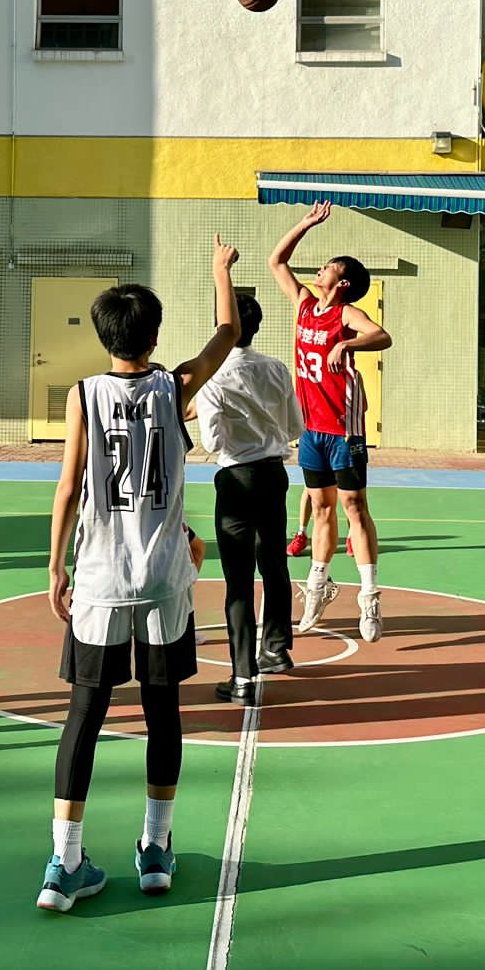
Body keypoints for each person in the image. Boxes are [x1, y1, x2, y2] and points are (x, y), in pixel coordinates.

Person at [37, 239, 240, 914]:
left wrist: (56, 565)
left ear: (103, 337)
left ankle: (65, 862)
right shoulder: (175, 387)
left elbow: (69, 486)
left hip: (98, 577)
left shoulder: (83, 394)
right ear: (154, 336)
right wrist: (220, 271)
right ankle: (155, 849)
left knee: (84, 714)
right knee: (162, 711)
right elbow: (227, 332)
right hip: (162, 580)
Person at [269, 201, 395, 643]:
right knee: (320, 509)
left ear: (342, 282)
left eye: (328, 266)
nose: (319, 269)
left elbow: (382, 335)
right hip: (311, 431)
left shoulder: (345, 316)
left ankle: (369, 596)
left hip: (344, 430)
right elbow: (276, 261)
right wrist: (304, 223)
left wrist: (347, 345)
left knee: (354, 507)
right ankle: (319, 586)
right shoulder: (305, 304)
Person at [191, 293, 304, 700]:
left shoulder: (212, 377)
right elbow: (294, 427)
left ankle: (242, 676)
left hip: (237, 477)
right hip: (274, 474)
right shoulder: (276, 368)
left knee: (238, 580)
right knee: (274, 563)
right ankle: (276, 648)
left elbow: (211, 442)